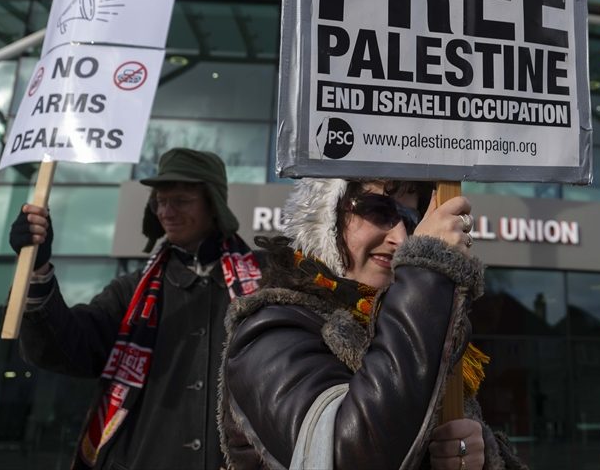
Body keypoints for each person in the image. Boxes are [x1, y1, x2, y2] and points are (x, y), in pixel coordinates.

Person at [218, 177, 526, 469]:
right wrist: (427, 273)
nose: (401, 238)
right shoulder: (268, 330)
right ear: (326, 213)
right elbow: (346, 455)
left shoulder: (412, 318)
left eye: (411, 220)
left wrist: (475, 453)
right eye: (378, 211)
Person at [9, 148, 259, 469]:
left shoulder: (265, 284)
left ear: (214, 204)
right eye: (160, 201)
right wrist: (37, 269)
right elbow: (69, 349)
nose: (167, 211)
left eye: (181, 200)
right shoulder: (131, 293)